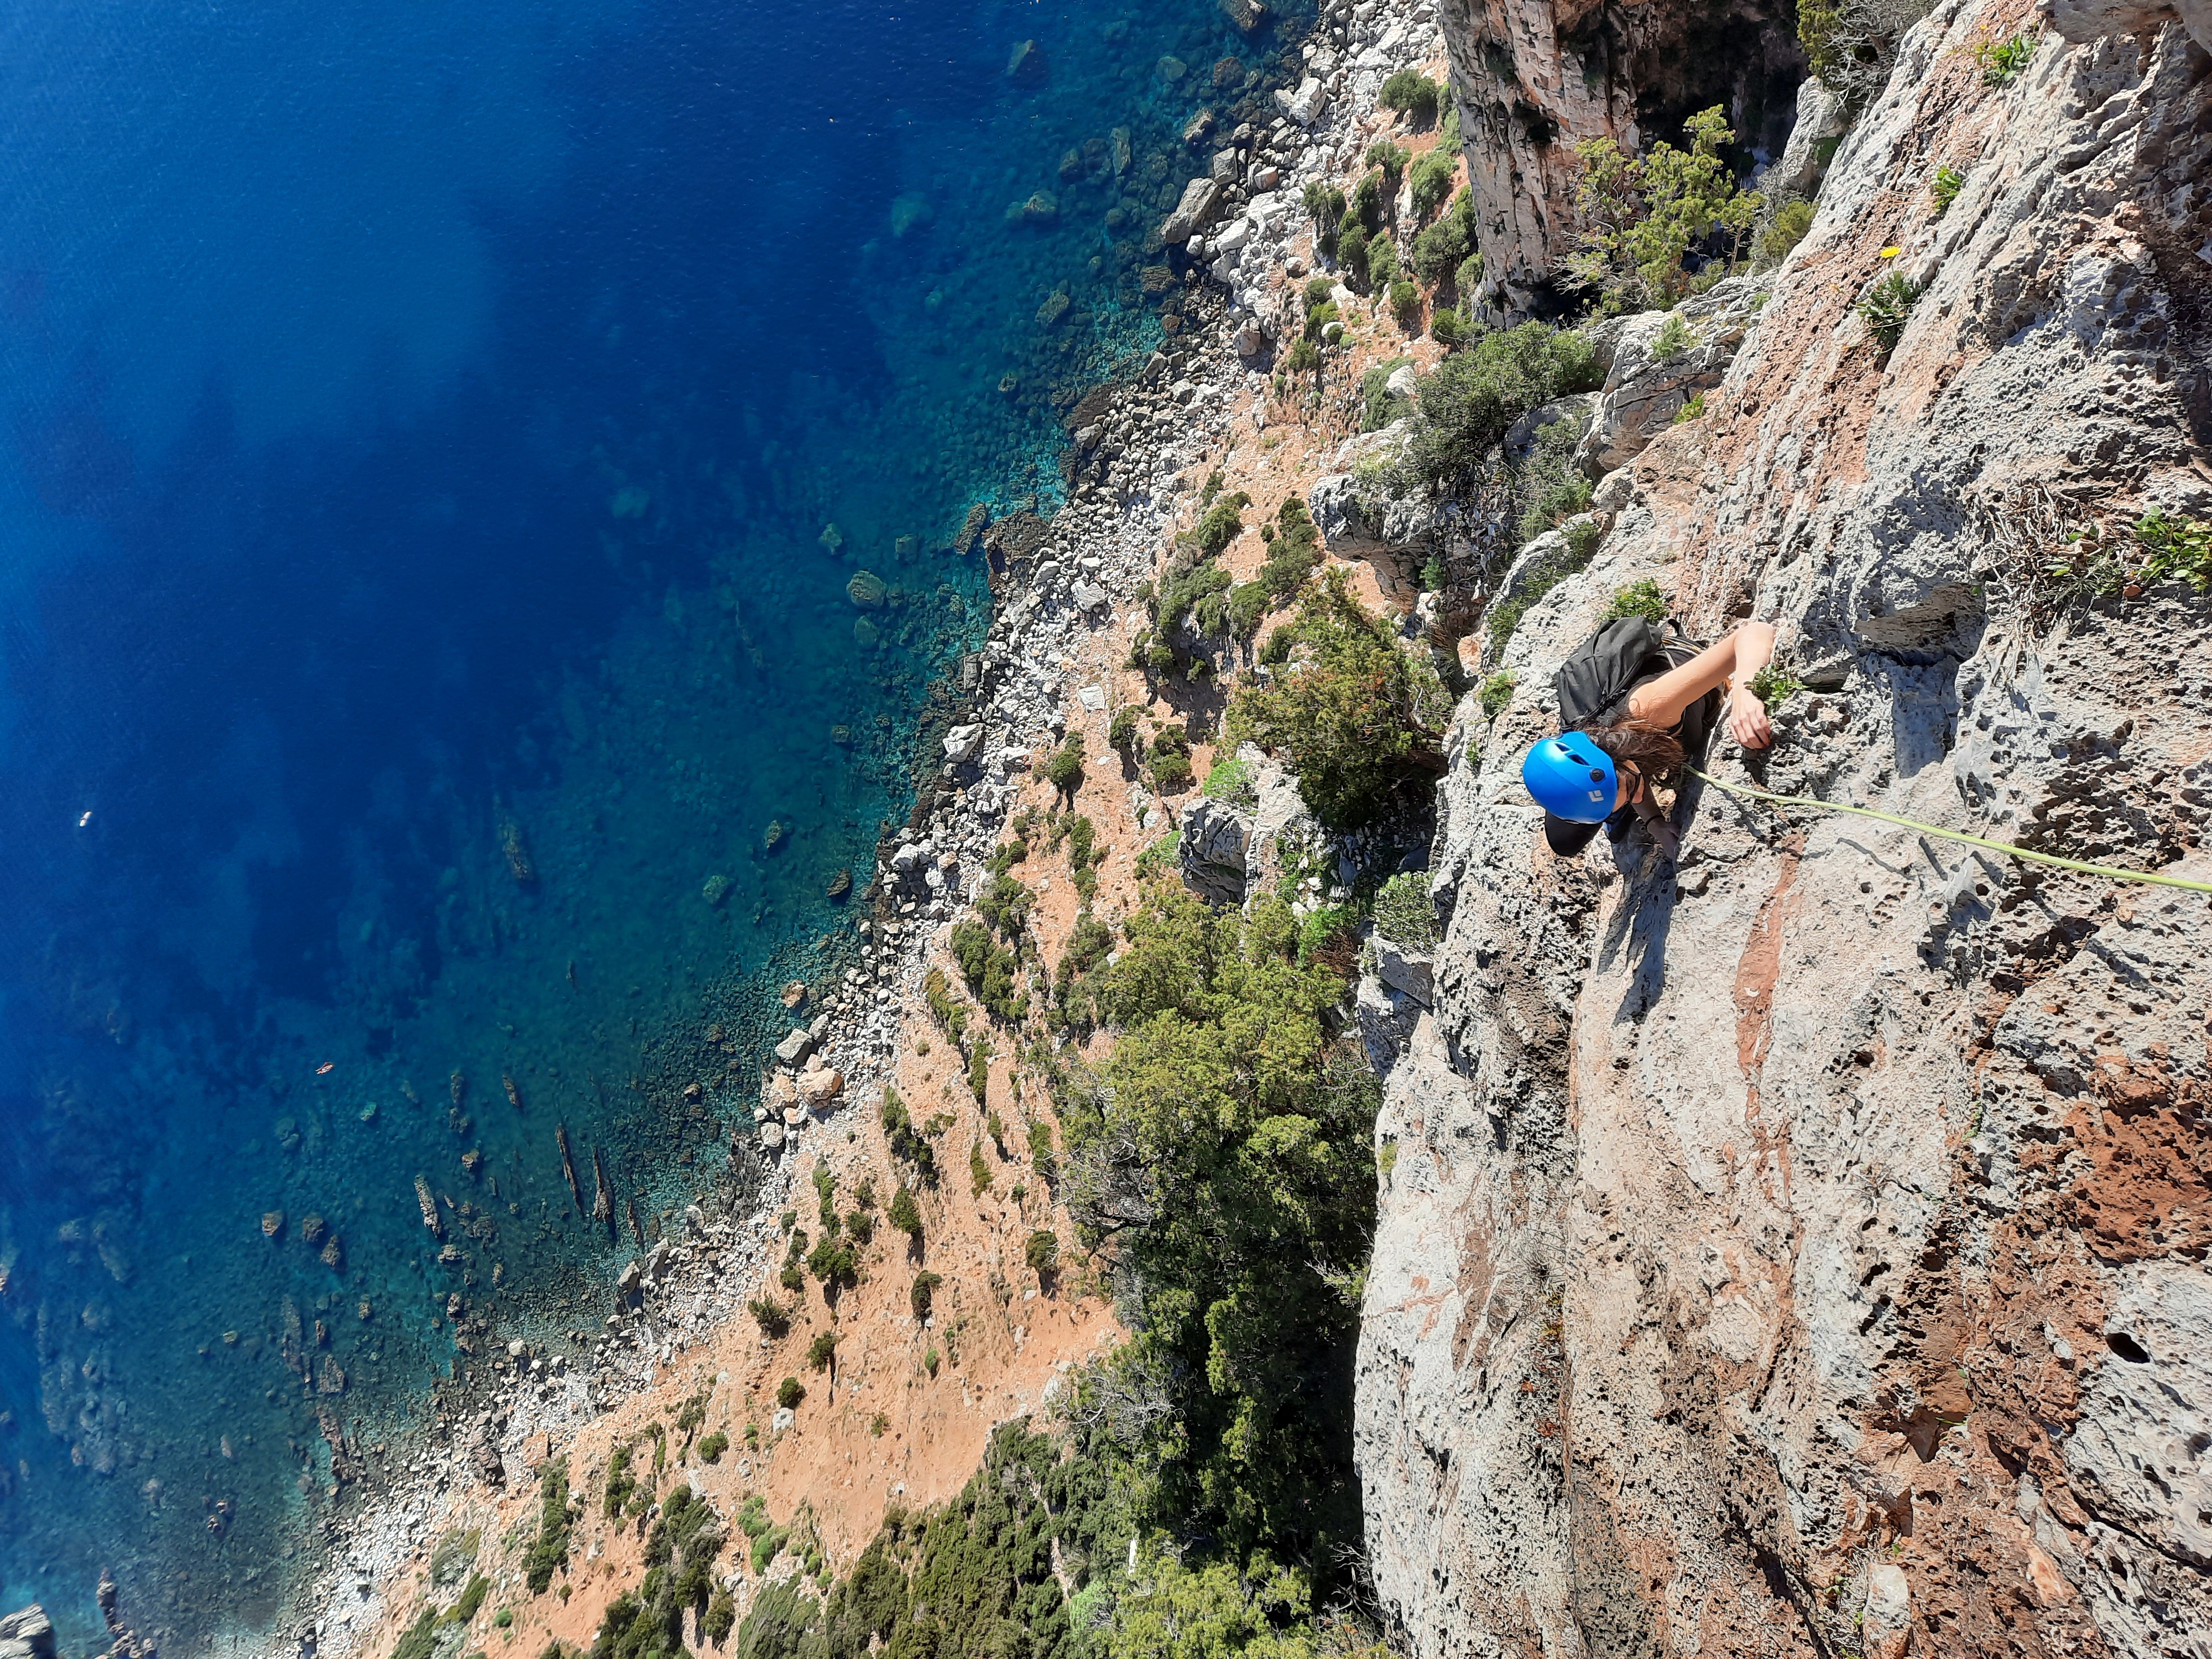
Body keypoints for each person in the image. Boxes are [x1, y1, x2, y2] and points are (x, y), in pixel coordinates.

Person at [1521, 615, 1777, 859]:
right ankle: (1611, 798)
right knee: (1565, 842)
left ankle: (1612, 799)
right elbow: (1632, 771)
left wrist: (1746, 694)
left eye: (1631, 789)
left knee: (1613, 794)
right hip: (1614, 750)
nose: (1637, 799)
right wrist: (1654, 822)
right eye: (1629, 796)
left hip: (1674, 674)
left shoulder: (1651, 709)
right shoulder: (1605, 745)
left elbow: (1753, 634)